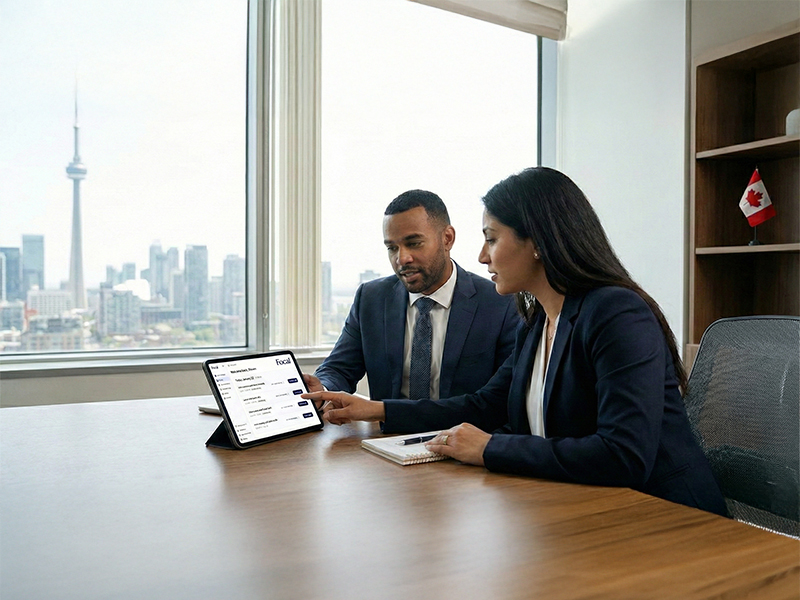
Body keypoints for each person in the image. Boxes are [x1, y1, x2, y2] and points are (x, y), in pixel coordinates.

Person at [304, 168, 728, 517]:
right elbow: (482, 405)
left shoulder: (616, 314)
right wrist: (376, 410)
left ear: (539, 243)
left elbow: (623, 455)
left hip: (668, 518)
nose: (483, 256)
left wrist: (491, 447)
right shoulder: (538, 319)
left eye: (492, 238)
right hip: (581, 509)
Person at [306, 189, 520, 403]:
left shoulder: (499, 303)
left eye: (414, 243)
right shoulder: (371, 299)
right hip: (385, 434)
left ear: (447, 239)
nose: (402, 258)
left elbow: (501, 399)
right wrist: (322, 388)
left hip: (460, 432)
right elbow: (339, 368)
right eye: (392, 248)